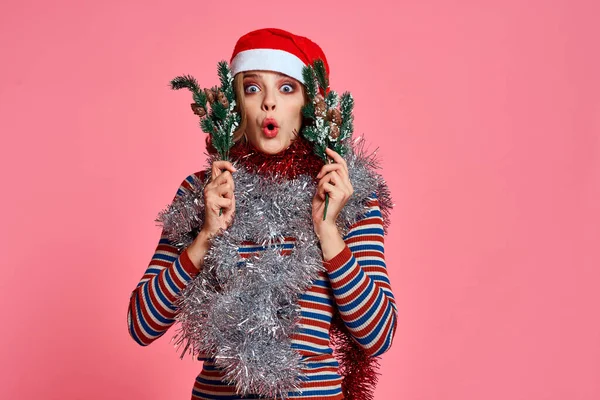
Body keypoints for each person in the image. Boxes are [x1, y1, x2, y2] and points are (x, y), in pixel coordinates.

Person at [127, 27, 398, 400]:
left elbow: (379, 334)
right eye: (253, 88)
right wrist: (205, 237)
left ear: (308, 104)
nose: (269, 103)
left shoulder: (344, 194)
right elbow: (141, 325)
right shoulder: (202, 192)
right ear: (238, 103)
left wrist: (329, 232)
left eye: (286, 88)